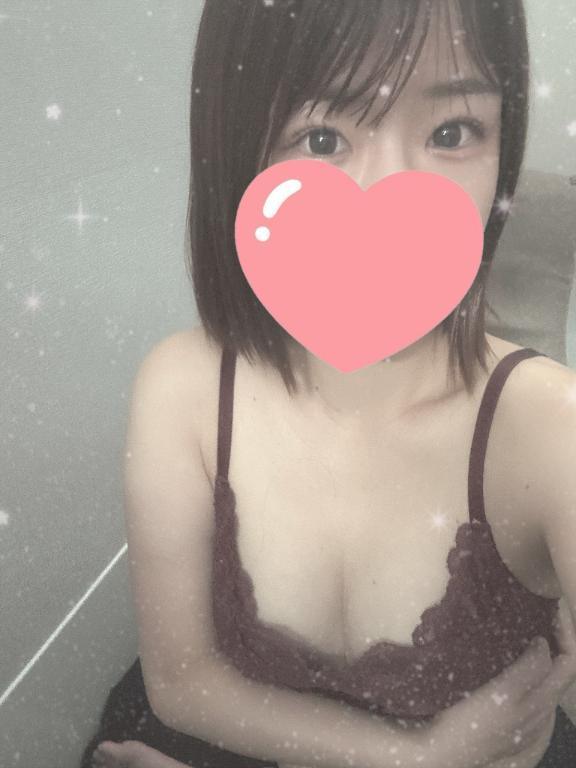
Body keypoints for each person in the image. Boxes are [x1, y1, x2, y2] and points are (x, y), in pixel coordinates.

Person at [82, 1, 576, 767]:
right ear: (238, 152)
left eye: (453, 132)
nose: (394, 198)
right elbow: (181, 681)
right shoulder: (182, 394)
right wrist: (418, 759)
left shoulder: (548, 428)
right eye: (322, 139)